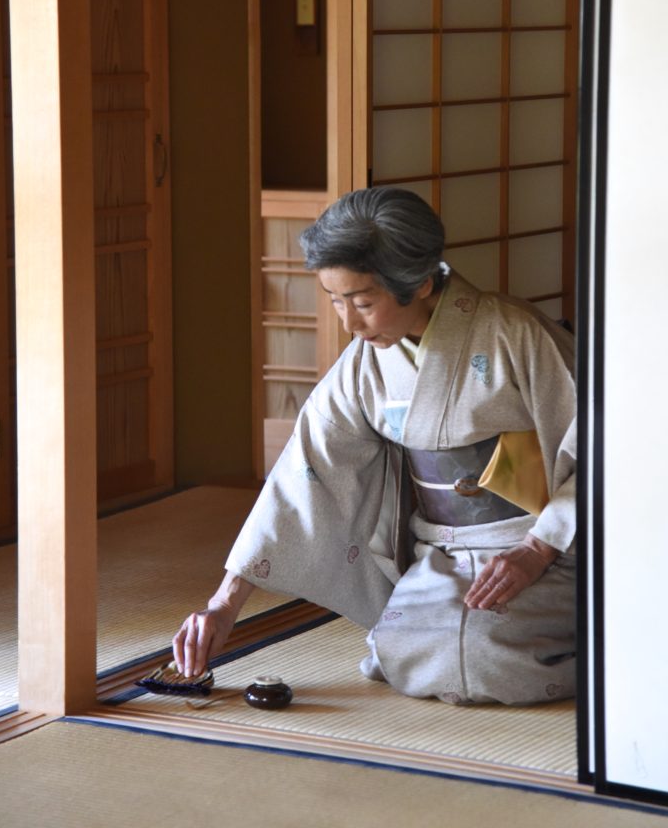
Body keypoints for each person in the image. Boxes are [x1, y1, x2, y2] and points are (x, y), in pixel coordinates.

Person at [173, 187, 577, 705]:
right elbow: (305, 472)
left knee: (482, 656)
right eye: (335, 301)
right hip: (442, 551)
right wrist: (224, 605)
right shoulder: (365, 362)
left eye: (363, 302)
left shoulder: (517, 335)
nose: (348, 323)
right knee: (400, 649)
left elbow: (608, 452)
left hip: (546, 544)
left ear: (421, 284)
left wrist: (536, 550)